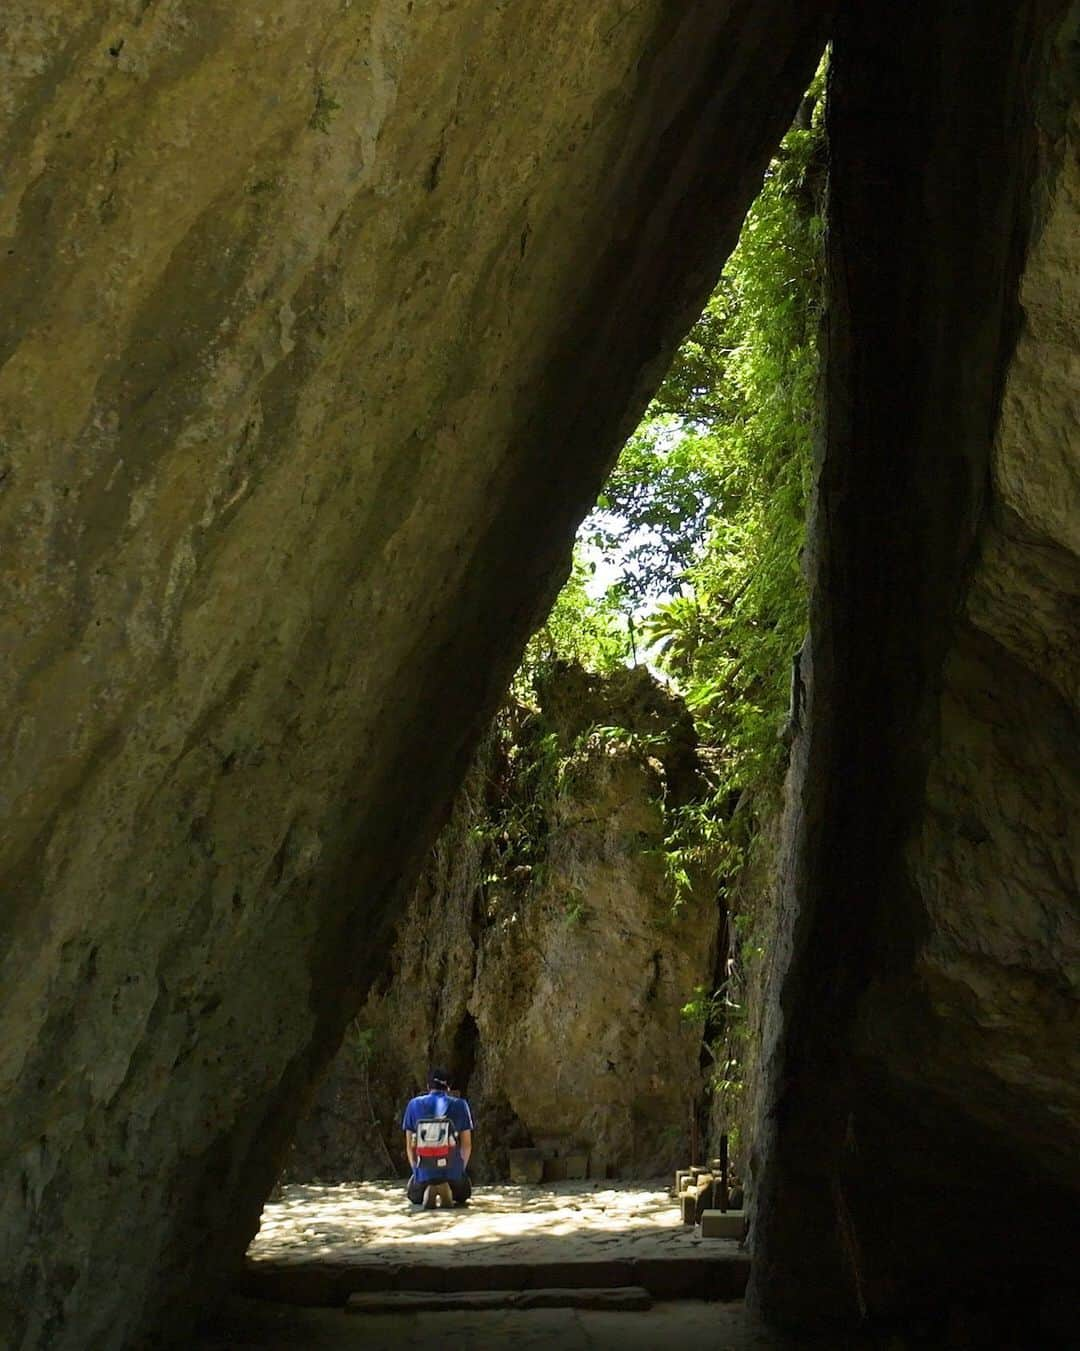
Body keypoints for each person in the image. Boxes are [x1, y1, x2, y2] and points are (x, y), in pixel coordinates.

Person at [402, 1067, 474, 1208]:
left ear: (428, 1086)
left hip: (423, 1174)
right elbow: (467, 1145)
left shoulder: (413, 1105)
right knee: (463, 1194)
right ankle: (446, 1186)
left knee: (414, 1196)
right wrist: (459, 1171)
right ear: (448, 1087)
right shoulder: (460, 1105)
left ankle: (430, 1186)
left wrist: (417, 1172)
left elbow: (410, 1146)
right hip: (452, 1173)